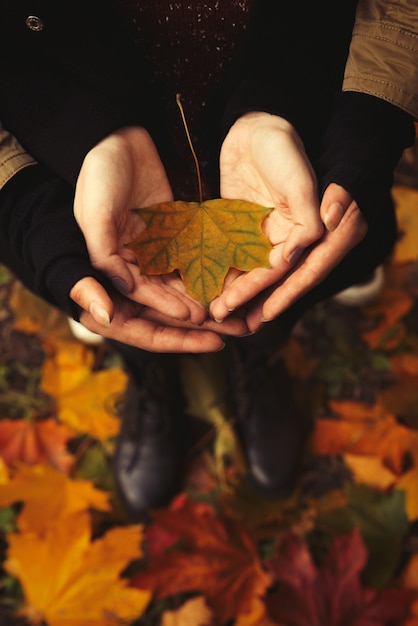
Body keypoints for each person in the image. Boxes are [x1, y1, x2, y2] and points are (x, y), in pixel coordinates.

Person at [0, 0, 416, 521]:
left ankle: (259, 356)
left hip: (292, 150)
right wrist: (25, 201)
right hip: (74, 172)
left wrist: (369, 123)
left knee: (273, 289)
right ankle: (148, 372)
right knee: (124, 296)